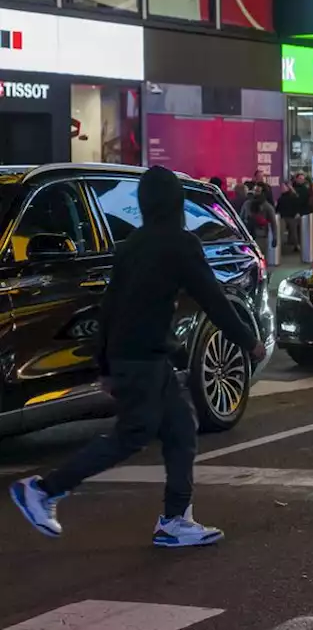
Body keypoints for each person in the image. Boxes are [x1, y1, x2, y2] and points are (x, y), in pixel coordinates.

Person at [9, 166, 266, 546]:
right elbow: (213, 299)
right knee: (131, 436)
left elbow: (108, 308)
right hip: (144, 359)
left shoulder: (131, 245)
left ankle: (175, 519)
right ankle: (45, 489)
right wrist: (248, 340)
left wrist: (105, 365)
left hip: (140, 358)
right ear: (176, 202)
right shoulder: (180, 244)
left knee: (181, 429)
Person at [240, 185, 278, 253]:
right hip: (248, 235)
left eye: (258, 191)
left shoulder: (267, 206)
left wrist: (274, 237)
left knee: (259, 256)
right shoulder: (247, 203)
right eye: (254, 190)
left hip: (260, 236)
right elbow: (240, 219)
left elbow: (273, 223)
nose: (255, 192)